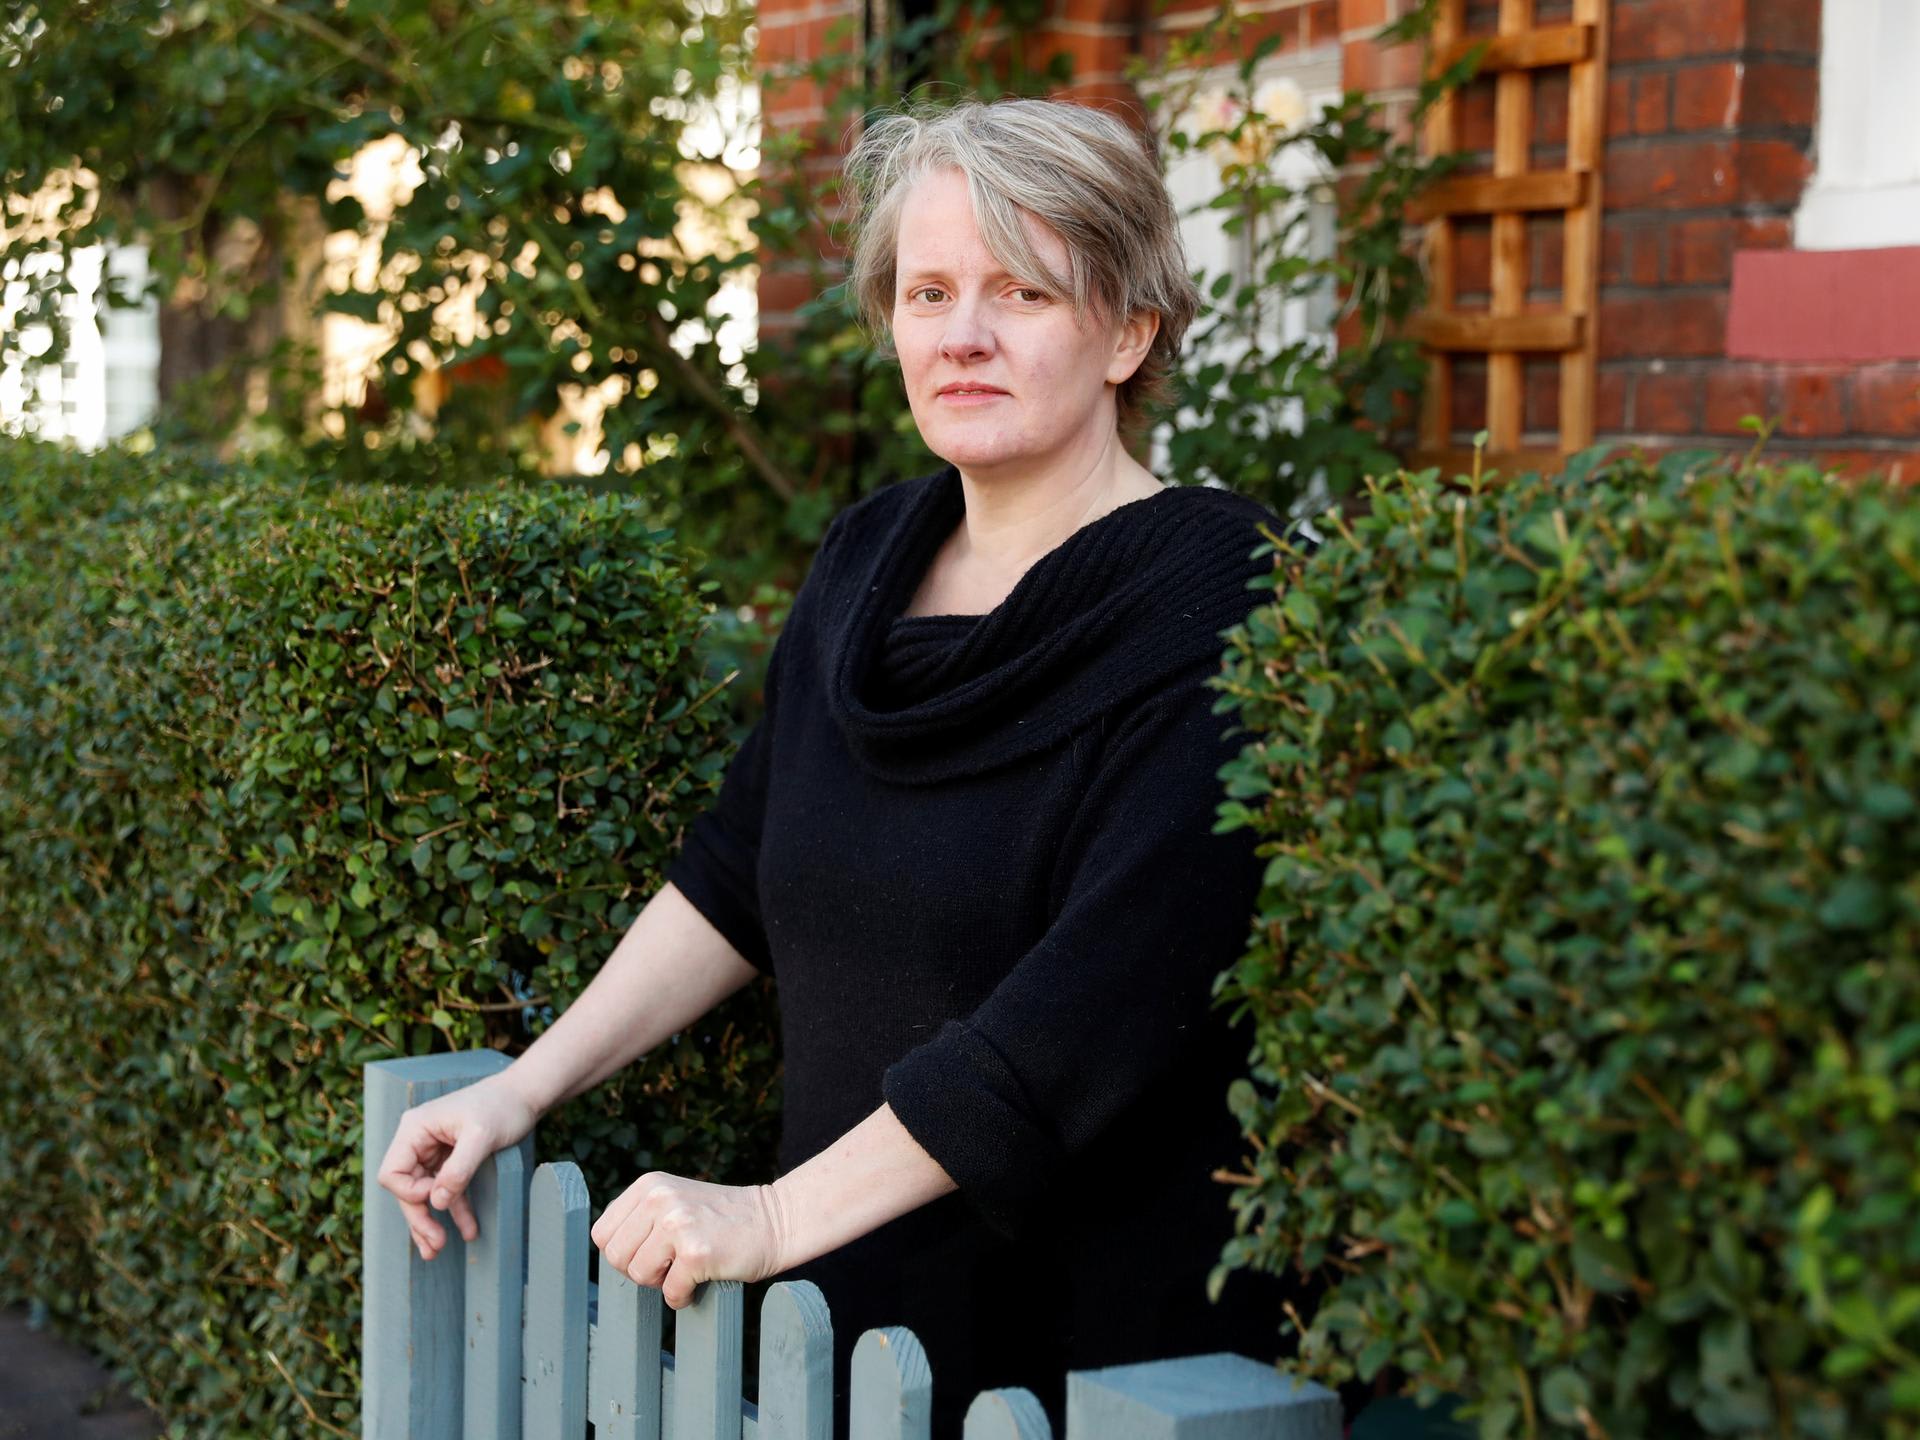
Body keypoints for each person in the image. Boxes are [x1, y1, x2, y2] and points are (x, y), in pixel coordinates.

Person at [377, 94, 1307, 1436]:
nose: (964, 335)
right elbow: (735, 878)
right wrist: (523, 1086)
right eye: (928, 292)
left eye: (1024, 291)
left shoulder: (1222, 603)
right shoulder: (868, 565)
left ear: (1129, 331)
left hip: (1096, 1369)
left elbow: (1087, 1018)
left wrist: (767, 1217)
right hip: (838, 1347)